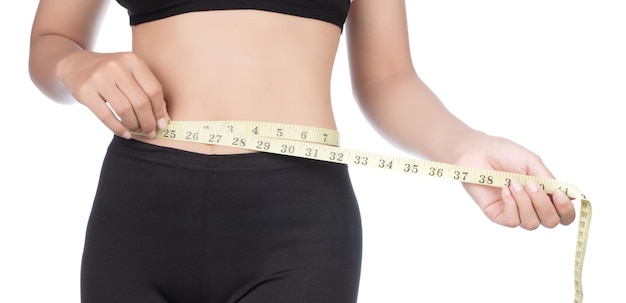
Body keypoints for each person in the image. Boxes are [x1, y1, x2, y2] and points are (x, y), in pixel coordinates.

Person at [28, 0, 576, 302]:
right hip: (137, 213)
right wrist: (76, 65)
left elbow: (388, 77)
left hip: (298, 225)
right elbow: (50, 39)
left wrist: (465, 146)